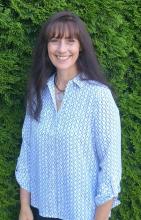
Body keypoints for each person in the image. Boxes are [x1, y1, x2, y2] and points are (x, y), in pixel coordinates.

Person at [15, 10, 122, 220]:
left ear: (80, 46)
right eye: (55, 40)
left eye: (70, 41)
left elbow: (110, 167)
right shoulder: (38, 94)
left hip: (84, 214)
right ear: (47, 47)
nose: (62, 49)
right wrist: (24, 207)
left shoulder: (98, 97)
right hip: (41, 211)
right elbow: (27, 150)